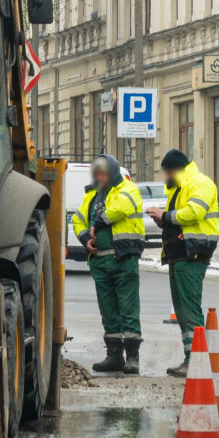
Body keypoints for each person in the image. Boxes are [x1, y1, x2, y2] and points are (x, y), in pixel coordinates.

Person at [151, 149, 219, 377]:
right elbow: (179, 219)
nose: (165, 177)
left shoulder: (200, 182)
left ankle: (197, 361)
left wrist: (165, 216)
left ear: (174, 170)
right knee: (183, 309)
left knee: (189, 308)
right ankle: (192, 357)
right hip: (180, 254)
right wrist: (164, 220)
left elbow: (194, 213)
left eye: (167, 172)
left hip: (193, 254)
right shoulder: (180, 187)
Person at [79, 154, 148, 375]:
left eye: (104, 172)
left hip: (123, 259)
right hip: (100, 262)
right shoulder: (91, 195)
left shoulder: (127, 189)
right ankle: (114, 355)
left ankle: (133, 358)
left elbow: (122, 207)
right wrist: (84, 239)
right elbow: (78, 219)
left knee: (128, 309)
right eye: (97, 172)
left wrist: (98, 222)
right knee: (108, 311)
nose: (100, 176)